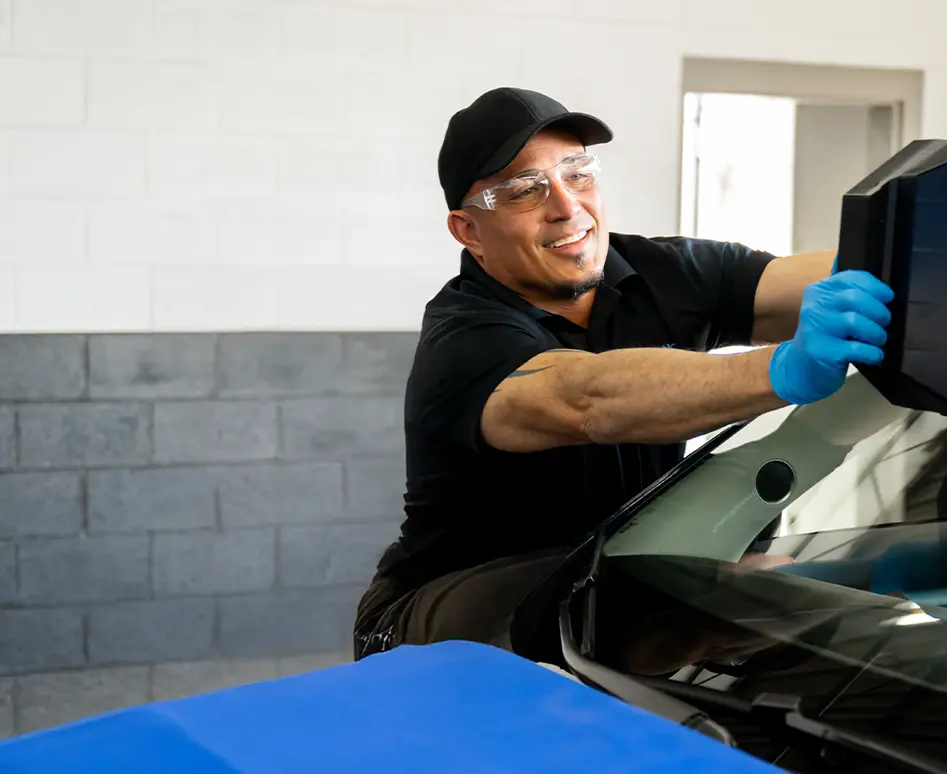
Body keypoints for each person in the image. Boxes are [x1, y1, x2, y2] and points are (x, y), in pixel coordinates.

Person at [352, 87, 895, 660]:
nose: (566, 207)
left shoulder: (664, 272)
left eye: (578, 174)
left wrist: (930, 267)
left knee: (811, 624)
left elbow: (814, 278)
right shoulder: (463, 338)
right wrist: (782, 367)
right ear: (468, 232)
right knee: (628, 597)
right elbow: (587, 399)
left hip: (609, 580)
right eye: (524, 191)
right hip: (439, 612)